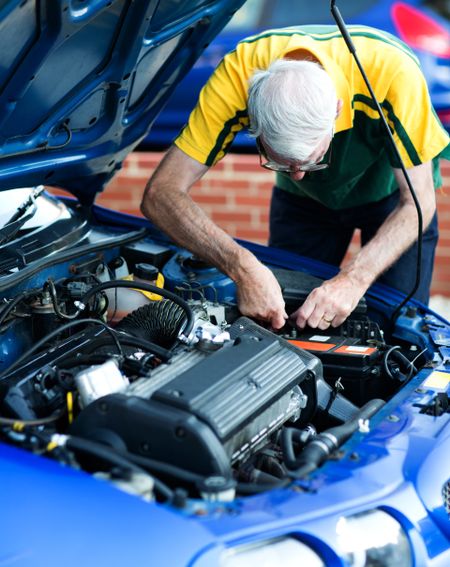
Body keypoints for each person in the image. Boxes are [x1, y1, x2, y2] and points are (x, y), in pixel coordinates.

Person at [141, 24, 450, 331]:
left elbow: (417, 205)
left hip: (392, 198)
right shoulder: (237, 76)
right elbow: (161, 192)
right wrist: (243, 268)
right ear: (252, 118)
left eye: (311, 162)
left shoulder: (392, 73)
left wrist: (353, 280)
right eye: (283, 165)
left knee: (396, 327)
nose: (299, 175)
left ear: (336, 112)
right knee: (287, 319)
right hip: (303, 206)